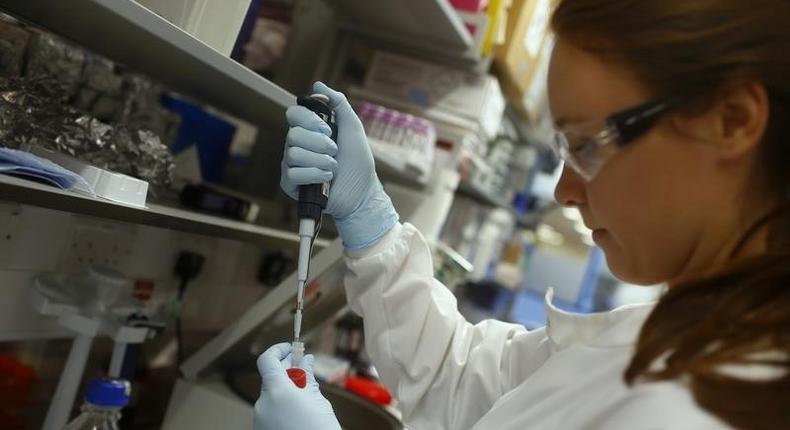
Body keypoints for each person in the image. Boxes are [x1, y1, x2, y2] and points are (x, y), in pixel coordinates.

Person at [253, 0, 790, 429]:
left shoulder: (712, 408)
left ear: (732, 121)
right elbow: (461, 381)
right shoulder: (672, 333)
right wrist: (370, 220)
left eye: (587, 146)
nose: (565, 191)